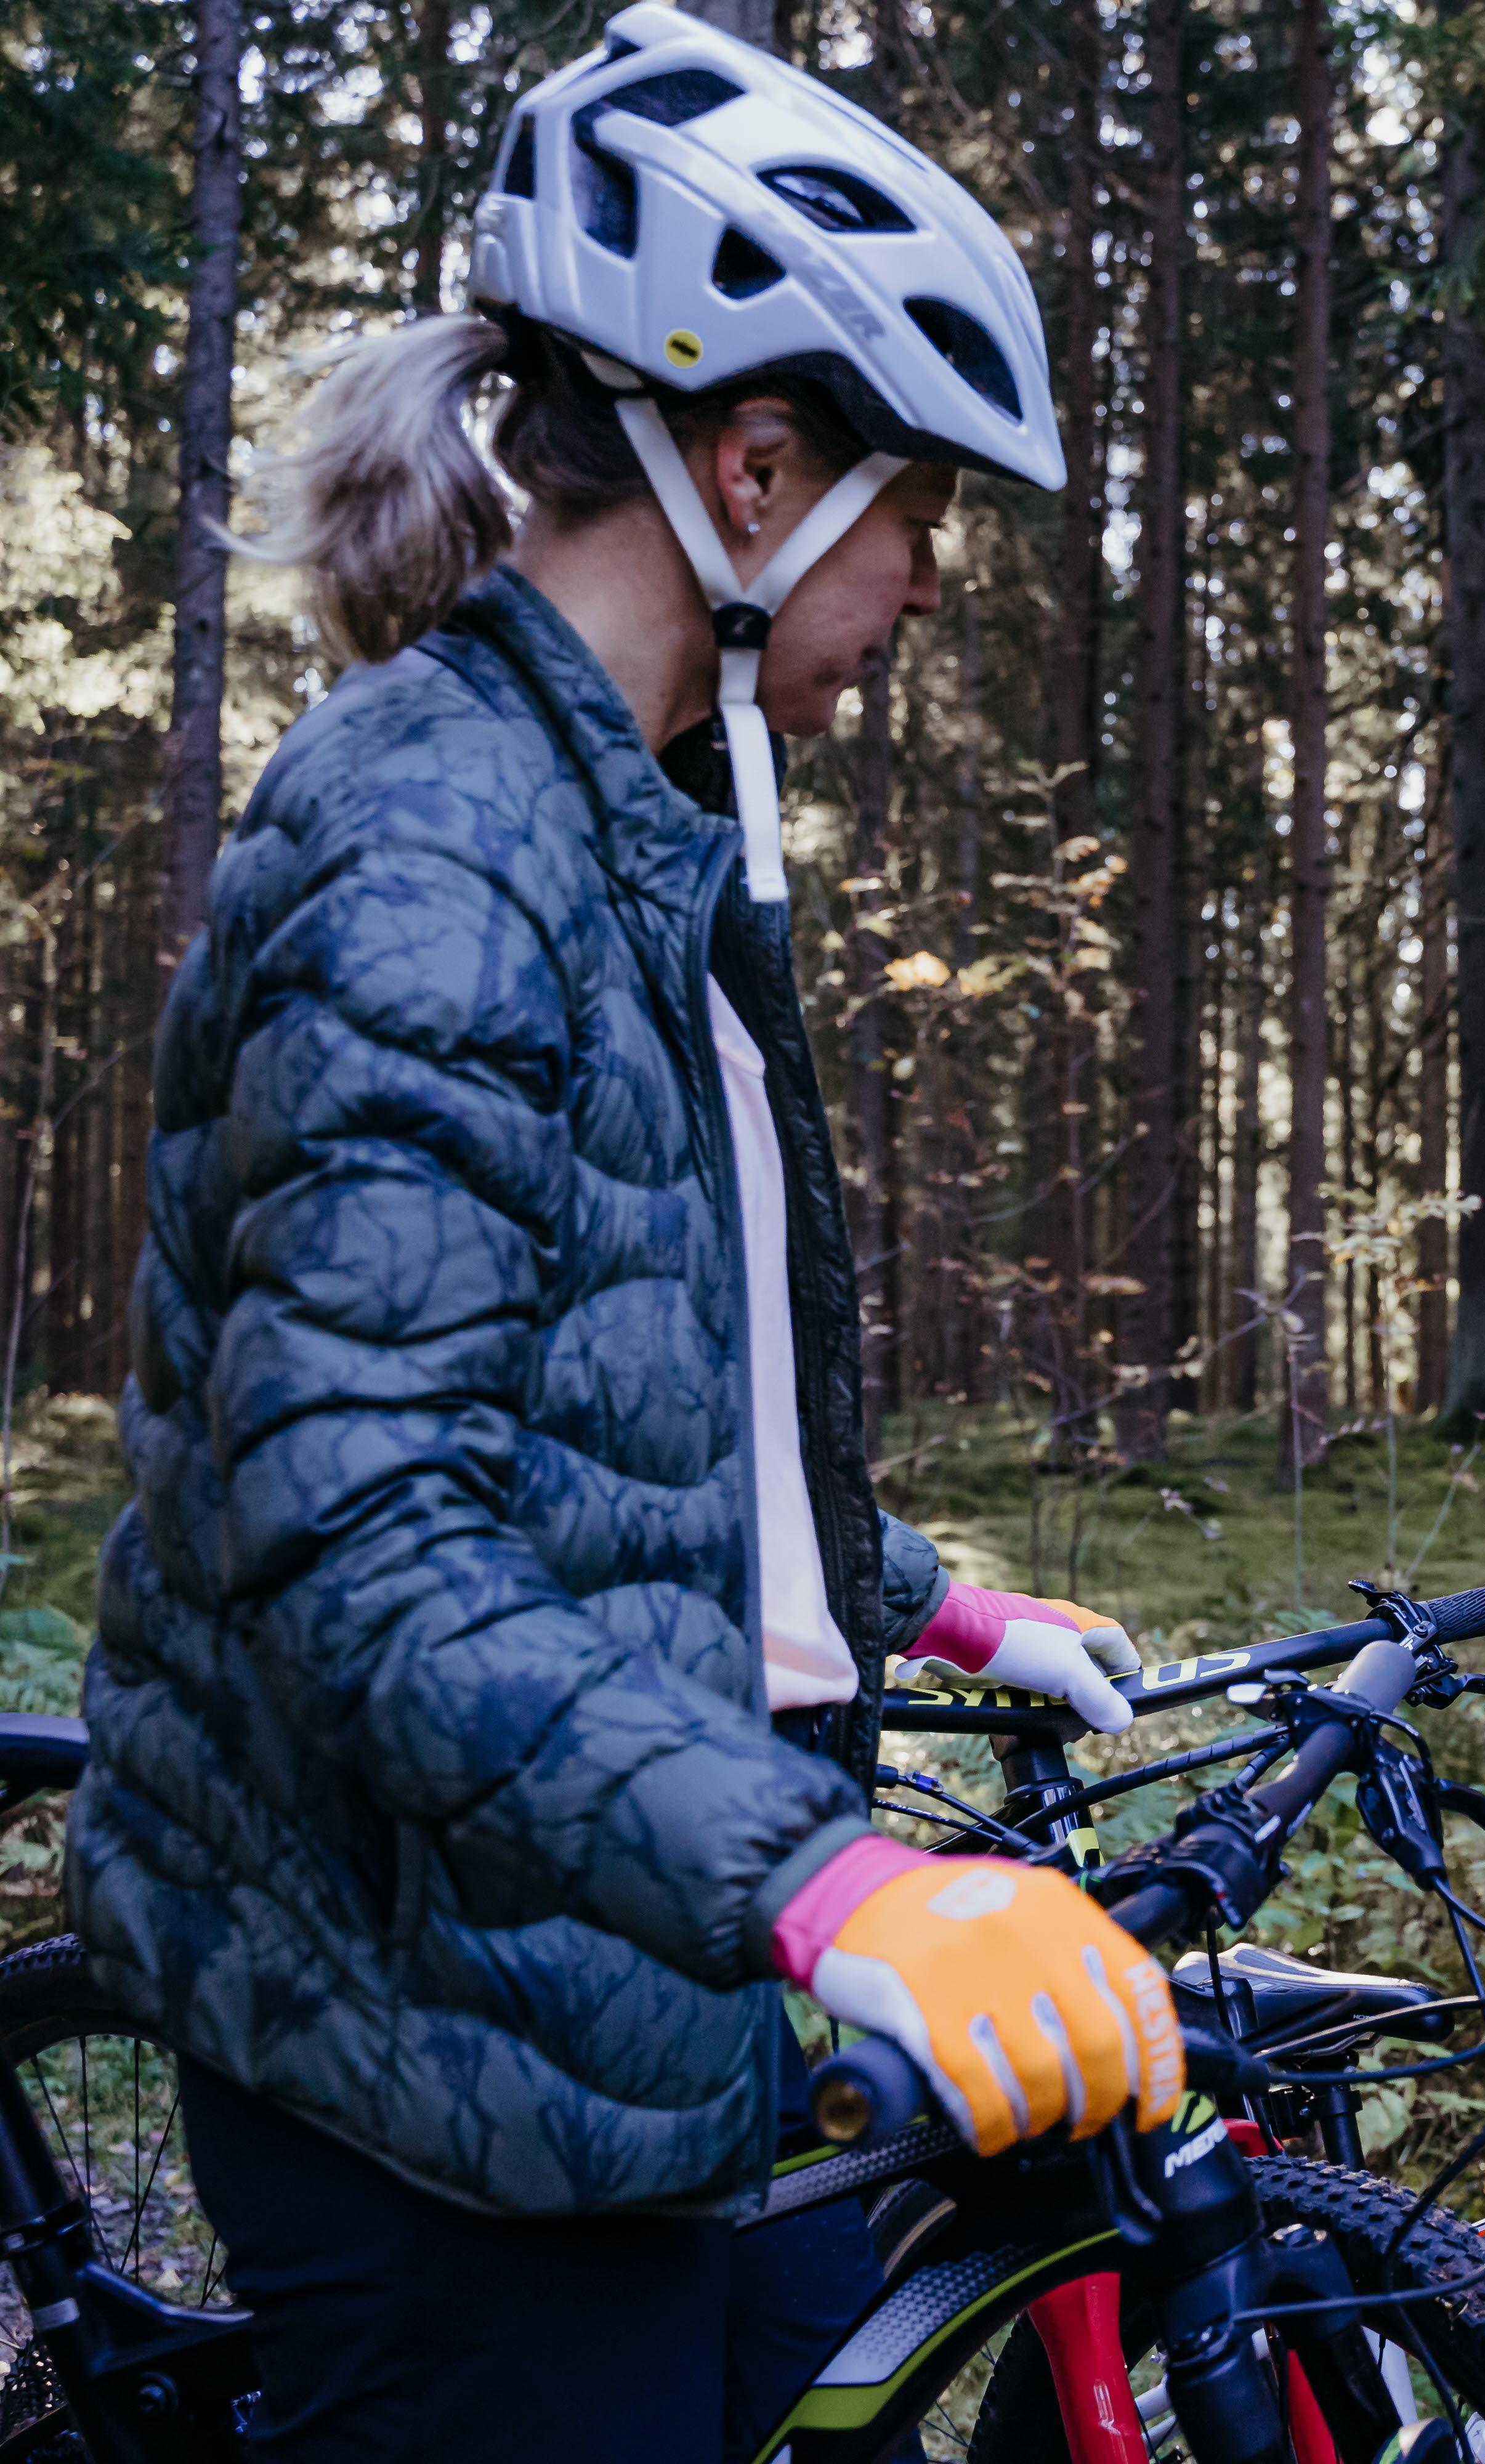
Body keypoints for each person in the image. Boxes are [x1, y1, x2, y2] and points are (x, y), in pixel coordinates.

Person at [71, 12, 1180, 2456]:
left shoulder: (643, 831)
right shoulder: (431, 855)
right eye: (918, 506)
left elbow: (626, 1392)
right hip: (425, 2048)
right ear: (754, 464)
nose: (929, 575)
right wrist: (828, 1884)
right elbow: (362, 1535)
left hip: (598, 1975)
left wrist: (914, 1597)